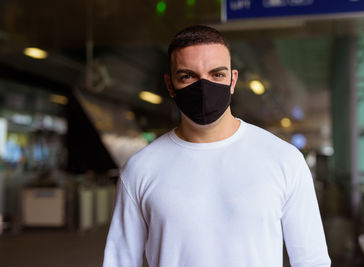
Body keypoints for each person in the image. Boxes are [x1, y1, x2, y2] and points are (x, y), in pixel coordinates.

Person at [103, 25, 331, 267]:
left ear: (232, 80)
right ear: (170, 86)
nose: (204, 87)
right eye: (188, 76)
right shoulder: (140, 169)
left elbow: (311, 260)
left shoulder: (284, 160)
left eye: (217, 75)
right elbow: (120, 261)